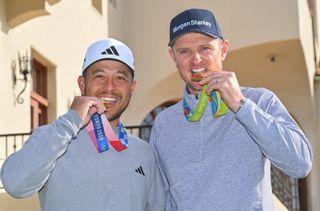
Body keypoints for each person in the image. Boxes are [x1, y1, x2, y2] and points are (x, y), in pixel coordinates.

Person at [150, 8, 313, 210]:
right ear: (173, 57)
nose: (196, 59)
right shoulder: (164, 123)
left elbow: (300, 163)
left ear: (224, 49)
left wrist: (241, 105)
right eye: (184, 51)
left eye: (205, 48)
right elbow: (161, 198)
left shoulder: (259, 100)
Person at [1, 38, 165, 211]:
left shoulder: (145, 154)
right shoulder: (54, 137)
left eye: (120, 78)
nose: (109, 87)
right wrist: (70, 121)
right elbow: (15, 184)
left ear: (132, 87)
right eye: (99, 76)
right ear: (82, 83)